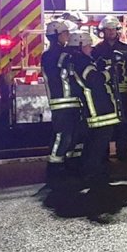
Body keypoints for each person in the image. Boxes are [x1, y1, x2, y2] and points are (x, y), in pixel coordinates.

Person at [66, 29, 120, 187]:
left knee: (94, 142)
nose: (91, 48)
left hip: (96, 107)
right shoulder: (82, 62)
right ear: (80, 45)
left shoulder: (78, 60)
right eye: (89, 45)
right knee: (98, 144)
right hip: (98, 108)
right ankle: (92, 173)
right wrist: (109, 72)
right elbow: (94, 80)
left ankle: (91, 171)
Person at [93, 15, 127, 162]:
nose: (111, 32)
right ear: (103, 31)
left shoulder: (126, 49)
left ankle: (123, 152)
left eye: (113, 29)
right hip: (105, 92)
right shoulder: (96, 50)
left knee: (122, 123)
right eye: (108, 29)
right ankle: (103, 155)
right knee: (105, 123)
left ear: (118, 31)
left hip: (122, 92)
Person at [42, 19, 79, 176]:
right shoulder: (50, 55)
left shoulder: (62, 53)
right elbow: (60, 71)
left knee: (73, 133)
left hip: (70, 100)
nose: (68, 36)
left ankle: (68, 161)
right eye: (65, 33)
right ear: (56, 36)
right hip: (61, 101)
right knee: (61, 134)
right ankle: (54, 165)